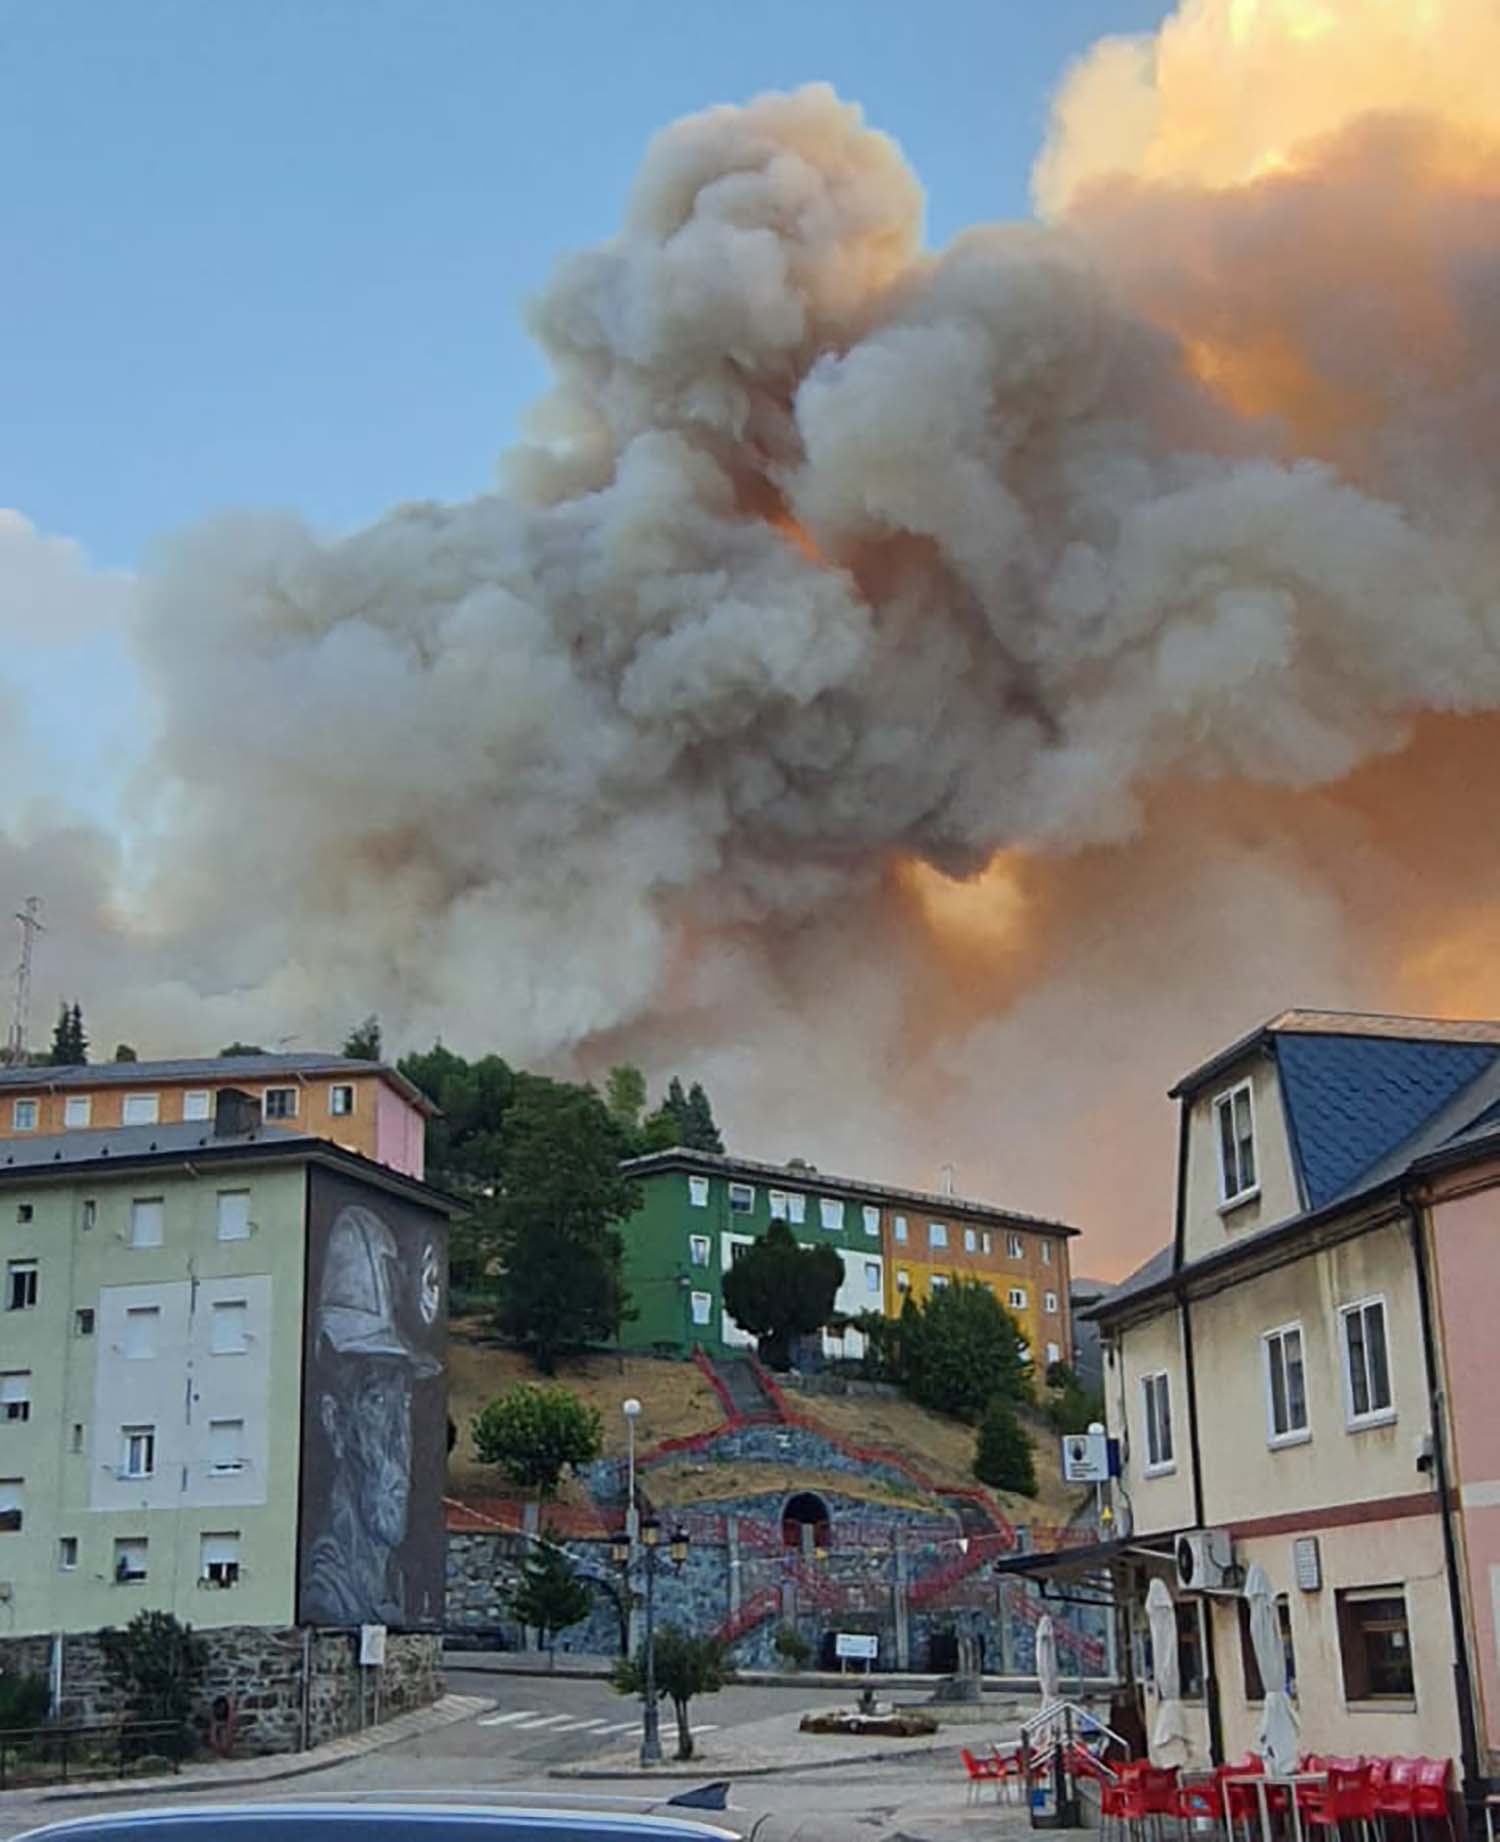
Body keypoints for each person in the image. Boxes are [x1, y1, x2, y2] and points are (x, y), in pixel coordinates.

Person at [302, 1204, 441, 1625]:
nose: (400, 1438)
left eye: (404, 1404)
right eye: (377, 1403)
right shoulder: (328, 1590)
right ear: (334, 1420)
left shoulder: (390, 1582)